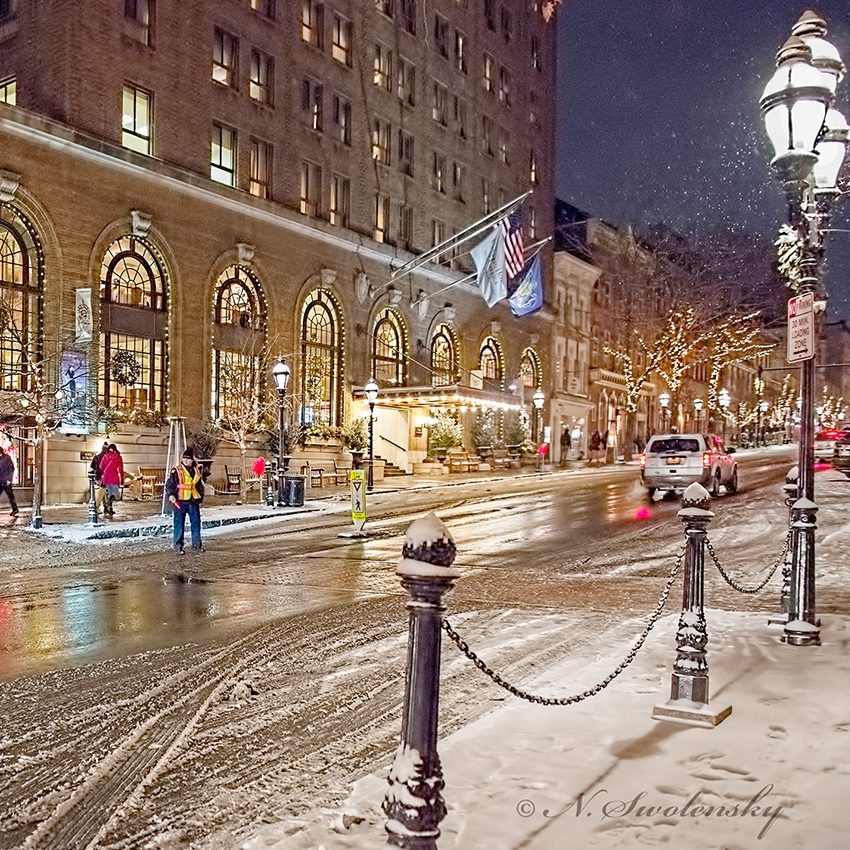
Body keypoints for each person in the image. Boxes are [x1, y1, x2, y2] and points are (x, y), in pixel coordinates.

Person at [165, 449, 205, 554]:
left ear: (192, 460)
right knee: (179, 524)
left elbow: (199, 485)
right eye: (184, 458)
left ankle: (197, 545)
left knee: (196, 523)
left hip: (193, 501)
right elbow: (170, 484)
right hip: (180, 501)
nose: (186, 461)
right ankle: (178, 546)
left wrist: (200, 497)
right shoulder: (177, 470)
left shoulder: (196, 470)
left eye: (188, 459)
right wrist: (171, 495)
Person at [99, 443, 124, 517]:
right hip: (114, 477)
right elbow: (121, 469)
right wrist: (122, 479)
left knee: (109, 493)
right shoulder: (118, 457)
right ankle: (108, 506)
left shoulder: (105, 456)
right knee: (114, 493)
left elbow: (101, 466)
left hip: (106, 477)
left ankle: (108, 507)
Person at [90, 441, 109, 515]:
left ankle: (106, 507)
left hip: (98, 477)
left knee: (103, 491)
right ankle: (97, 507)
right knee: (102, 490)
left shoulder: (96, 457)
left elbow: (92, 467)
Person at [0, 446, 19, 517]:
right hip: (0, 481)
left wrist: (9, 480)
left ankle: (15, 509)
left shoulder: (7, 458)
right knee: (10, 496)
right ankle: (15, 509)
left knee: (11, 496)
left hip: (6, 481)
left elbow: (11, 469)